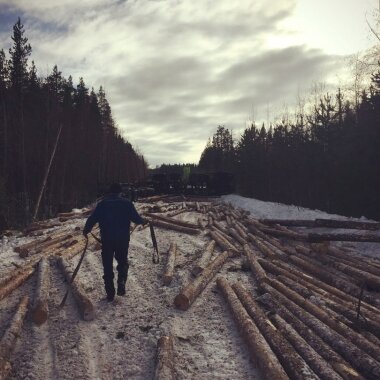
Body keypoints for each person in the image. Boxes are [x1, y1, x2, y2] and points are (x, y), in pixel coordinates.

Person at [83, 183, 146, 301]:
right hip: (122, 239)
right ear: (120, 192)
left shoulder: (102, 204)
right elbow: (136, 218)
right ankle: (121, 281)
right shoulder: (127, 203)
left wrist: (86, 230)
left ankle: (110, 293)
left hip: (107, 239)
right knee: (122, 262)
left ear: (109, 192)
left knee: (107, 265)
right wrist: (143, 221)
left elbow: (92, 218)